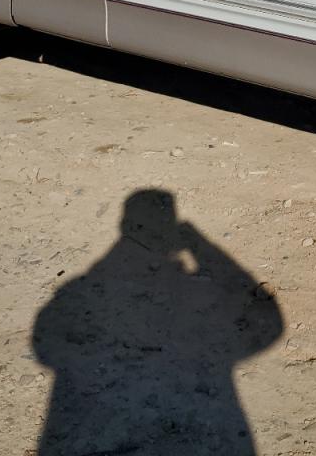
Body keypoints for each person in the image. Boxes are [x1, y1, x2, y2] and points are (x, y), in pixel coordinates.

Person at [32, 189, 283, 454]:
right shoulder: (85, 287)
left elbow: (46, 344)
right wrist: (197, 241)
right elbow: (271, 328)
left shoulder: (78, 288)